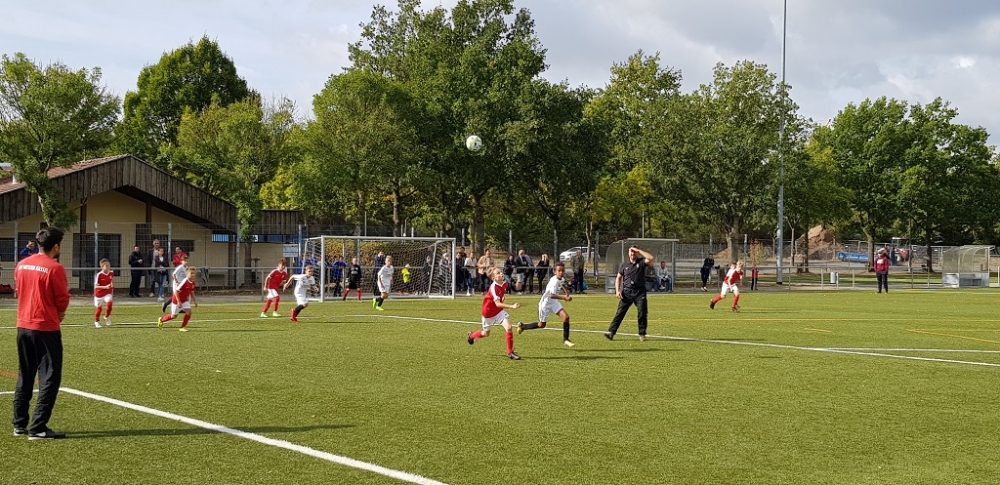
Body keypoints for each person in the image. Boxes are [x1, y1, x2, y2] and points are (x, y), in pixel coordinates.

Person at [13, 227, 70, 440]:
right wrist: (59, 313)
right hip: (45, 327)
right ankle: (38, 427)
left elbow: (19, 290)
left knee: (25, 374)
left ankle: (19, 424)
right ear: (55, 247)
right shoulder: (55, 268)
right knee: (50, 376)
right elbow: (62, 298)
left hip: (23, 325)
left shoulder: (21, 265)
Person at [466, 267, 522, 360]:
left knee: (509, 327)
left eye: (501, 272)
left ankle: (510, 353)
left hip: (498, 311)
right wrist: (512, 306)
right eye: (498, 273)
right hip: (488, 313)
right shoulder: (493, 287)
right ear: (493, 278)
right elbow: (498, 304)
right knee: (486, 333)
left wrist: (502, 297)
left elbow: (501, 296)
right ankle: (471, 336)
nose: (501, 274)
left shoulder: (504, 284)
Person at [517, 262, 575, 347]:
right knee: (542, 325)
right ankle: (523, 326)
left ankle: (566, 339)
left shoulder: (561, 279)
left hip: (554, 303)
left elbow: (562, 284)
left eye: (562, 271)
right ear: (555, 272)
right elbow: (551, 295)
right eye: (559, 271)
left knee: (566, 317)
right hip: (545, 304)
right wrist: (564, 298)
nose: (561, 272)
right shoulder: (554, 281)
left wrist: (567, 294)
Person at [604, 246, 655, 342]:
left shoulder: (641, 262)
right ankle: (611, 332)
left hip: (640, 292)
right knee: (620, 313)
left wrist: (639, 250)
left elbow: (651, 258)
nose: (632, 254)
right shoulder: (624, 265)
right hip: (627, 292)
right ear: (628, 253)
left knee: (642, 313)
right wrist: (617, 291)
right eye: (631, 252)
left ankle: (642, 334)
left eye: (634, 252)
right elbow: (618, 278)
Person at [157, 266, 198, 331]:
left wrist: (195, 301)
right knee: (173, 316)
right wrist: (179, 301)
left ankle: (182, 327)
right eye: (191, 273)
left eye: (194, 273)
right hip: (176, 300)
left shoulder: (193, 282)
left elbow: (192, 292)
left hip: (184, 301)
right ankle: (161, 319)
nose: (193, 275)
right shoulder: (185, 281)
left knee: (189, 312)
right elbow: (176, 291)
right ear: (187, 274)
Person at [93, 258, 114, 328]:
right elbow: (96, 286)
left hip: (107, 293)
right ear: (102, 267)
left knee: (109, 304)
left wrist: (112, 284)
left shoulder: (111, 273)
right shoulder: (99, 275)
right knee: (99, 309)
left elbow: (111, 280)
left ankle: (106, 317)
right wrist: (105, 287)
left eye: (109, 265)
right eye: (106, 266)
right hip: (99, 294)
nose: (108, 267)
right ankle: (97, 321)